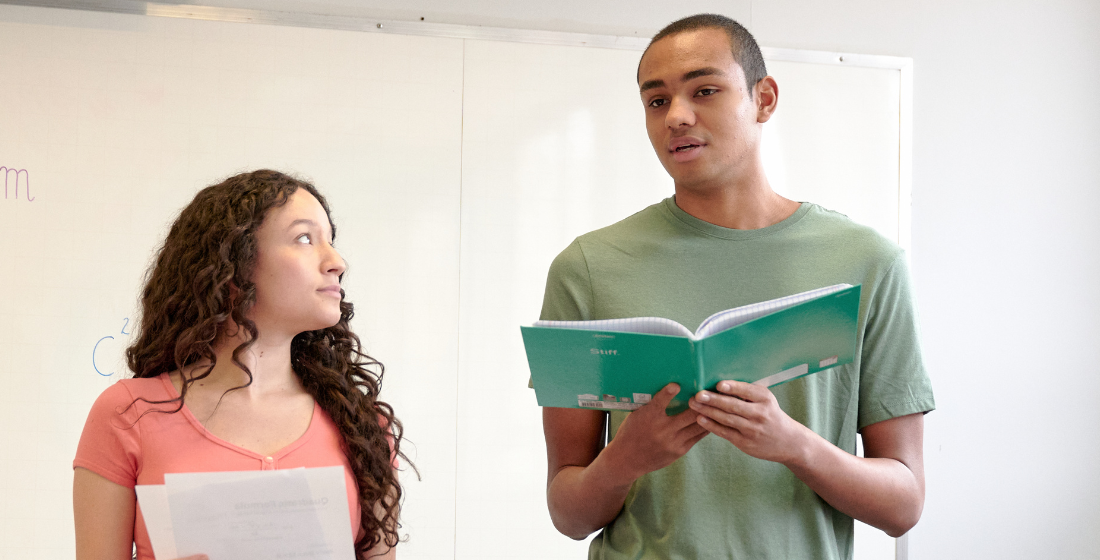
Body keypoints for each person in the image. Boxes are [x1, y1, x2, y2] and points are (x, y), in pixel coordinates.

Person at [540, 14, 936, 559]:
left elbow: (903, 505)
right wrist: (626, 458)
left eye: (704, 90)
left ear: (764, 99)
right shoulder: (587, 267)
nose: (676, 116)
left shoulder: (869, 263)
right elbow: (568, 513)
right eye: (656, 102)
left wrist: (793, 444)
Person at [73, 170, 406, 560]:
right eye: (304, 238)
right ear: (234, 265)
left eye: (331, 241)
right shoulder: (126, 414)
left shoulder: (365, 427)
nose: (336, 261)